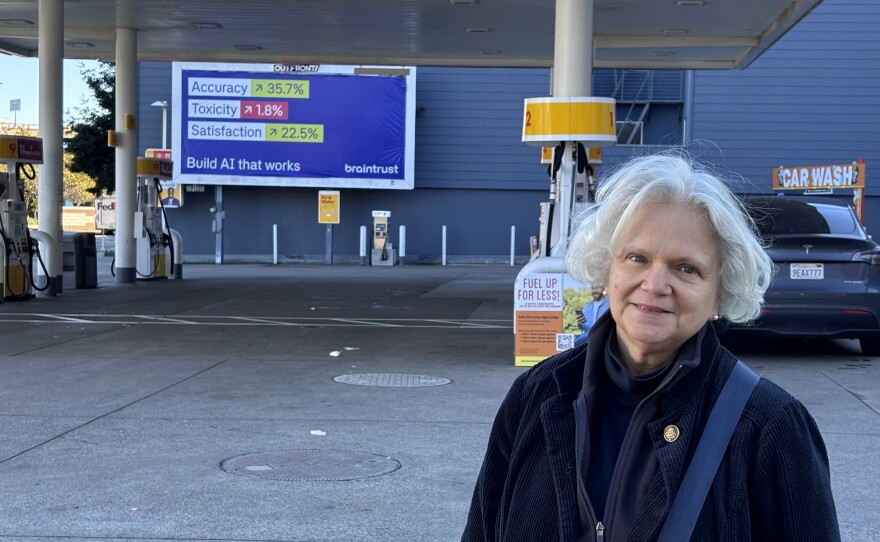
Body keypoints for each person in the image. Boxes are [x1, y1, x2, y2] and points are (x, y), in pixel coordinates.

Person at [461, 153, 839, 541]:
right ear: (608, 270)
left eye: (686, 268)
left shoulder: (771, 427)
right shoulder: (534, 397)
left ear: (719, 297)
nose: (655, 284)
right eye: (637, 258)